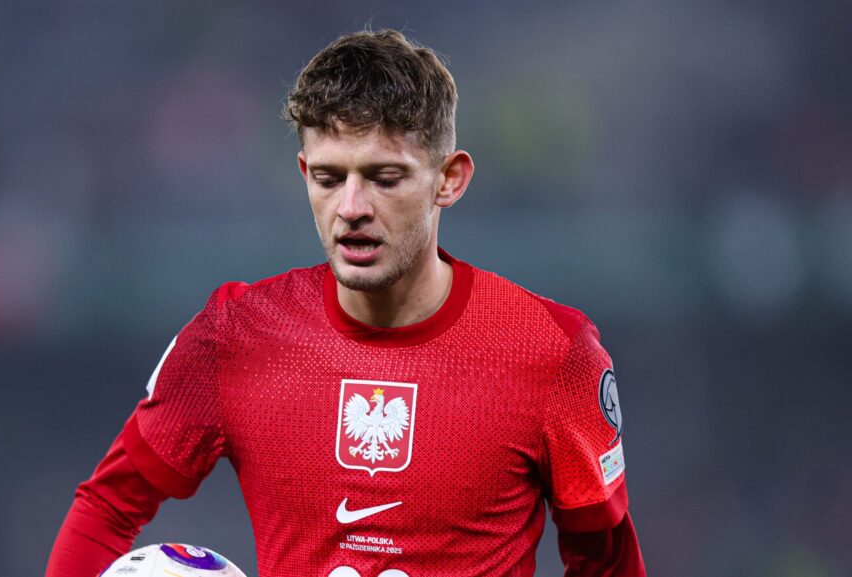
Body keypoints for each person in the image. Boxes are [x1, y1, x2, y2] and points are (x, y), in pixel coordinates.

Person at [46, 29, 645, 577]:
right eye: (329, 179)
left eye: (385, 178)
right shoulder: (234, 334)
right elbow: (107, 506)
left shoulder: (554, 350)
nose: (351, 208)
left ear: (449, 179)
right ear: (303, 171)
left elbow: (606, 561)